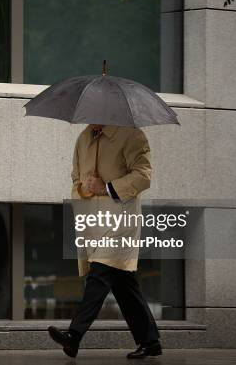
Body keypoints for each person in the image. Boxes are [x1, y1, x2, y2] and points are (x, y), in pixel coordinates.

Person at [48, 124, 162, 359]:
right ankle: (150, 342)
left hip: (121, 221)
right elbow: (75, 177)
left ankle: (74, 336)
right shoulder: (83, 138)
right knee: (123, 283)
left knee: (99, 274)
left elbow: (143, 175)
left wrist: (107, 187)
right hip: (93, 221)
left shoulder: (132, 135)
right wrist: (84, 187)